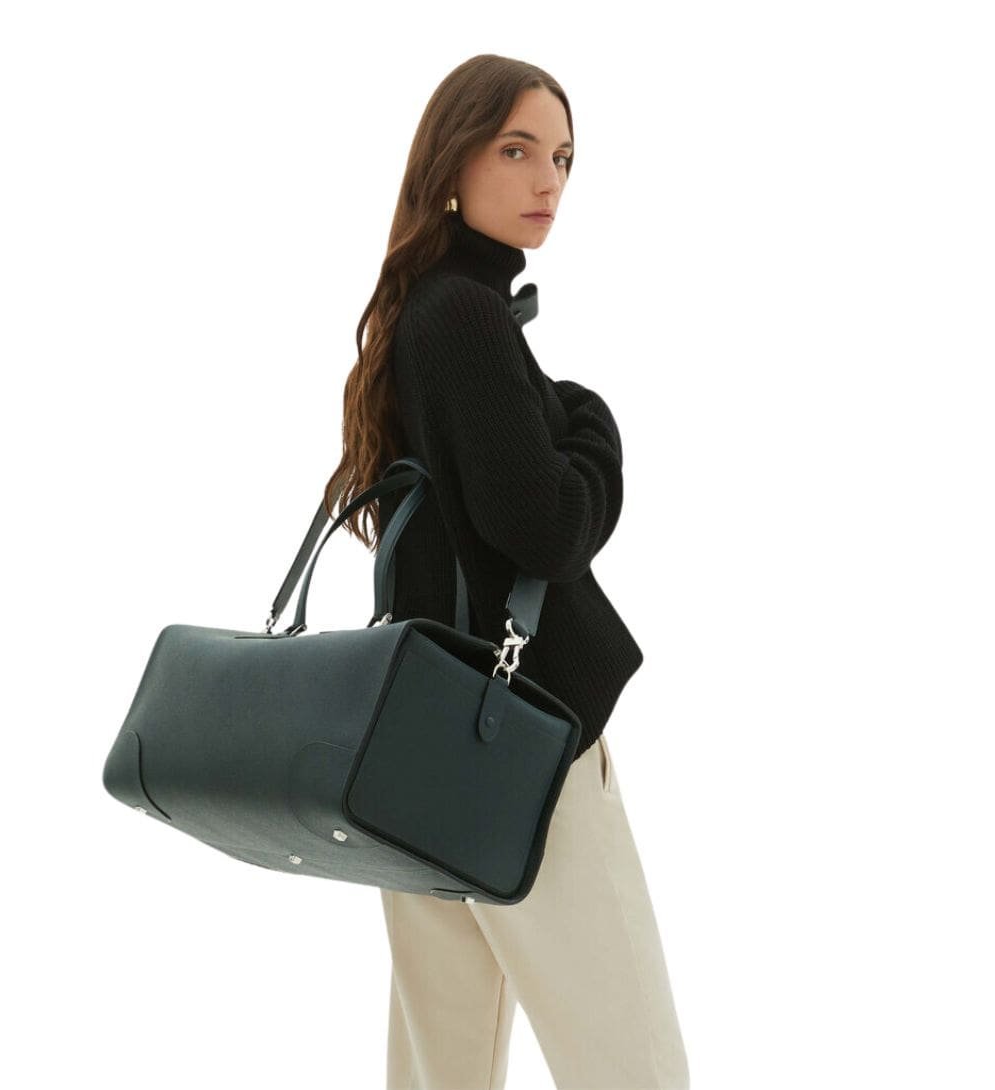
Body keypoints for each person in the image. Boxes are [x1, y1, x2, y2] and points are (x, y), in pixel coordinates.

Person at [322, 54, 690, 1090]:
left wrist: (552, 406)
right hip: (522, 740)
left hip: (421, 748)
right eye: (517, 150)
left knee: (443, 1066)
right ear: (452, 159)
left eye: (563, 159)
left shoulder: (418, 315)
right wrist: (596, 430)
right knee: (634, 1066)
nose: (547, 182)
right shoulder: (468, 317)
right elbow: (546, 529)